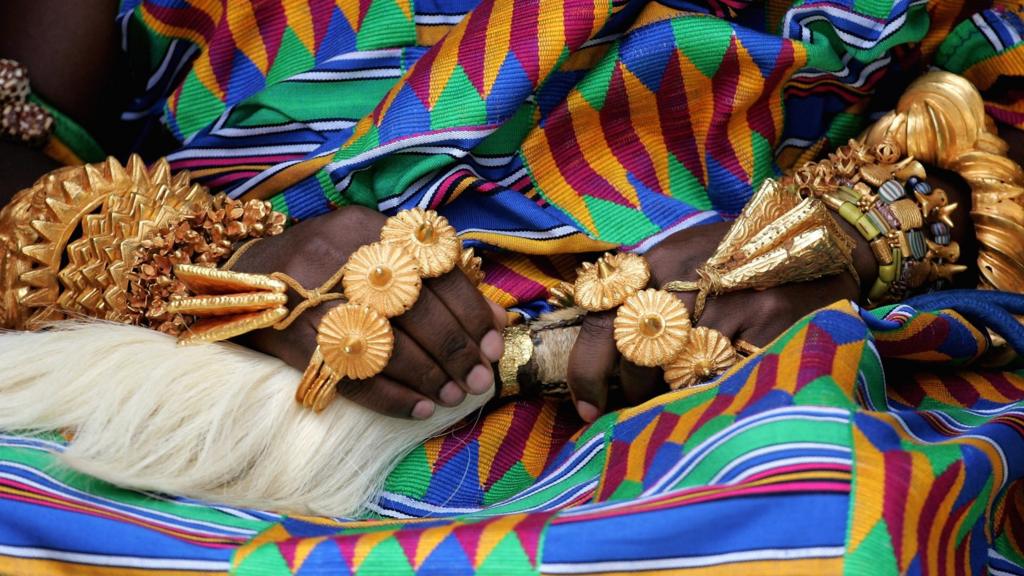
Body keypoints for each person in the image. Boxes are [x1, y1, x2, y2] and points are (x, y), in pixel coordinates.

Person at [0, 0, 1022, 573]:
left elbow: (995, 111)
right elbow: (13, 151)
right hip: (179, 388)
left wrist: (846, 230)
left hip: (741, 391)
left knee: (819, 521)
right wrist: (213, 263)